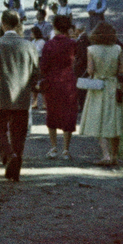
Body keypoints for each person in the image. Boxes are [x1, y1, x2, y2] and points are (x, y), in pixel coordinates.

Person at [0, 10, 40, 182]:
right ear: (18, 25)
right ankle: (15, 167)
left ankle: (9, 155)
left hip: (1, 95)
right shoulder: (30, 45)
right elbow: (36, 72)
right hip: (22, 96)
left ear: (3, 23)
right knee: (19, 133)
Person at [79, 21, 123, 166]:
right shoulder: (117, 48)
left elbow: (90, 71)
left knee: (98, 119)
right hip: (114, 86)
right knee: (115, 120)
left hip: (98, 86)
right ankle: (114, 156)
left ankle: (105, 155)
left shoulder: (91, 49)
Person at [39, 13, 81, 158]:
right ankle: (66, 149)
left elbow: (43, 66)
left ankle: (54, 147)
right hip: (69, 81)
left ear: (55, 27)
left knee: (52, 113)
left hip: (52, 82)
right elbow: (77, 62)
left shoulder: (49, 44)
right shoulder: (72, 44)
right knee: (69, 113)